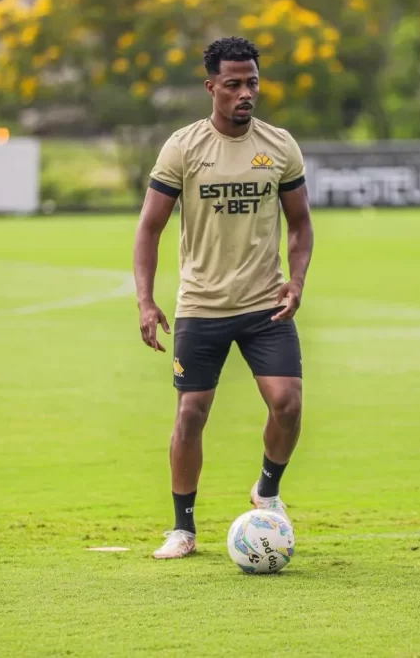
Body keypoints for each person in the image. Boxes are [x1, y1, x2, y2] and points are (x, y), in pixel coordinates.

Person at [132, 36, 314, 560]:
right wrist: (146, 301)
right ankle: (182, 528)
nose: (244, 93)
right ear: (211, 86)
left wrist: (296, 280)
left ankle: (267, 490)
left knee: (289, 404)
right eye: (232, 84)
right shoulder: (183, 148)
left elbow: (300, 225)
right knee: (191, 414)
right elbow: (149, 229)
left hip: (265, 304)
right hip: (202, 306)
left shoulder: (279, 146)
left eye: (252, 82)